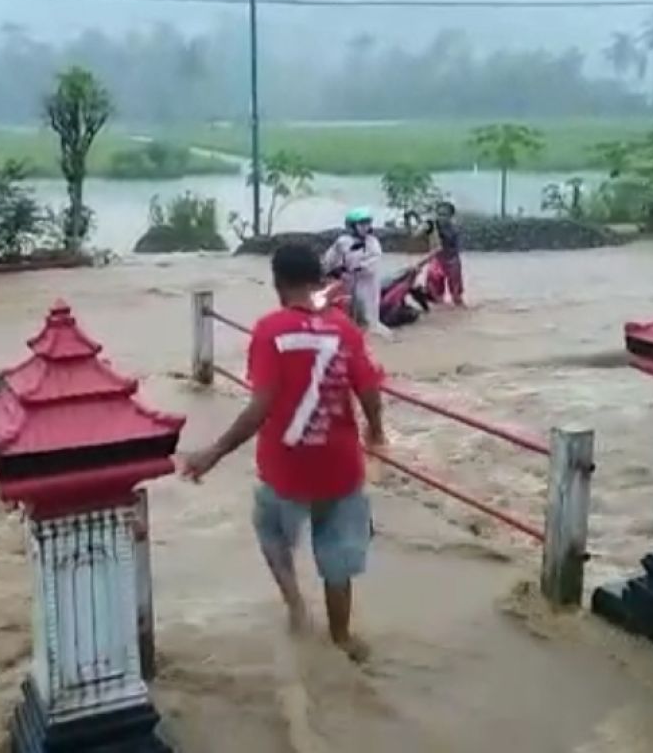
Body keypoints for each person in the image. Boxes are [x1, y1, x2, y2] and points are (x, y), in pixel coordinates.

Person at [180, 243, 386, 661]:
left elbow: (262, 405)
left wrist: (215, 451)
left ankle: (294, 605)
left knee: (271, 530)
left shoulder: (270, 330)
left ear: (277, 283)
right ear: (319, 281)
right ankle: (342, 638)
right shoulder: (344, 329)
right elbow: (368, 389)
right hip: (340, 466)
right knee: (337, 556)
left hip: (285, 468)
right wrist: (376, 432)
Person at [322, 207, 385, 334]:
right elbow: (329, 259)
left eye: (367, 223)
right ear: (352, 226)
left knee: (368, 313)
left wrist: (361, 267)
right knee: (346, 311)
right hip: (347, 282)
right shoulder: (342, 242)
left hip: (367, 285)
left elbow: (374, 261)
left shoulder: (373, 242)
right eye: (362, 224)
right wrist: (335, 270)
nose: (365, 227)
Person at [421, 200, 464, 307]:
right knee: (434, 296)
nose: (441, 217)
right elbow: (418, 234)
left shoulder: (454, 230)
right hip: (436, 261)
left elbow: (456, 248)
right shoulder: (431, 226)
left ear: (451, 216)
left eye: (445, 215)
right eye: (439, 214)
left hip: (451, 261)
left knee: (456, 296)